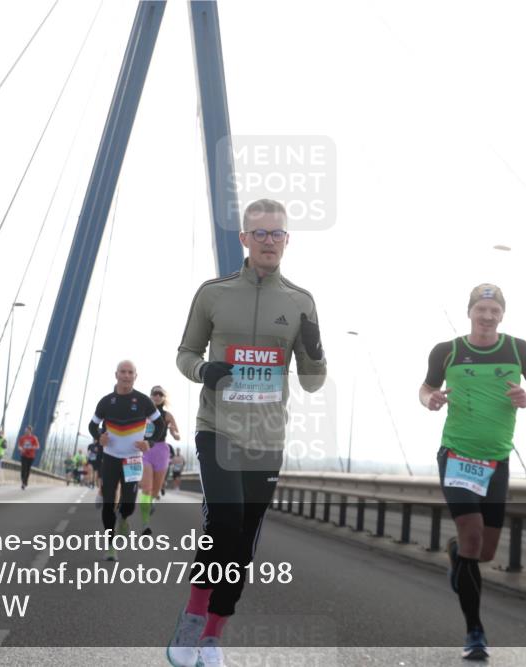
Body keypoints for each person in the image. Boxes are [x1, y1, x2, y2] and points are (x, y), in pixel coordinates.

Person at [167, 199, 327, 667]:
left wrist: (315, 349)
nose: (268, 241)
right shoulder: (213, 294)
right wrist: (204, 370)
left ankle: (213, 637)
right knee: (224, 520)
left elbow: (313, 382)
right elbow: (185, 354)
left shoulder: (300, 302)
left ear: (287, 240)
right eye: (259, 233)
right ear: (244, 239)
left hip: (267, 440)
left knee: (243, 540)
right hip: (217, 428)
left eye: (277, 234)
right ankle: (192, 619)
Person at [420, 283, 526, 659]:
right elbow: (425, 388)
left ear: (502, 315)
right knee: (473, 537)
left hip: (497, 461)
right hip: (457, 456)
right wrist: (431, 399)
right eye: (481, 309)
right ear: (470, 312)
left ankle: (457, 555)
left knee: (484, 552)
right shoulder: (446, 351)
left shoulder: (518, 349)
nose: (487, 316)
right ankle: (474, 632)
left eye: (494, 311)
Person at [87, 360, 165, 561]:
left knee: (129, 504)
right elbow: (92, 426)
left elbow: (160, 425)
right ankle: (110, 545)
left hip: (133, 459)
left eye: (130, 372)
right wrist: (99, 437)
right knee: (108, 502)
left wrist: (150, 442)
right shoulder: (106, 402)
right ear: (116, 375)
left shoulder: (143, 401)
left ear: (135, 376)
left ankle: (123, 518)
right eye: (123, 372)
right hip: (111, 458)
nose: (126, 375)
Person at [138, 385, 181, 534]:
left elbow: (177, 435)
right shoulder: (143, 413)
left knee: (155, 491)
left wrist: (173, 433)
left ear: (163, 398)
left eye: (160, 394)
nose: (157, 396)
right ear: (150, 396)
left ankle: (152, 501)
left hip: (161, 452)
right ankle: (145, 524)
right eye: (154, 393)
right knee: (146, 488)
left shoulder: (167, 415)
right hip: (146, 450)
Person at [17, 425, 39, 490]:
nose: (25, 431)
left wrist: (32, 447)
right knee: (23, 468)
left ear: (30, 431)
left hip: (31, 456)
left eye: (27, 430)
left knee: (28, 469)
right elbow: (19, 446)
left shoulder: (34, 438)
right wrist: (21, 449)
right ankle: (23, 482)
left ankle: (25, 481)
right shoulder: (22, 438)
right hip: (23, 455)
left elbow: (37, 446)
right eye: (25, 430)